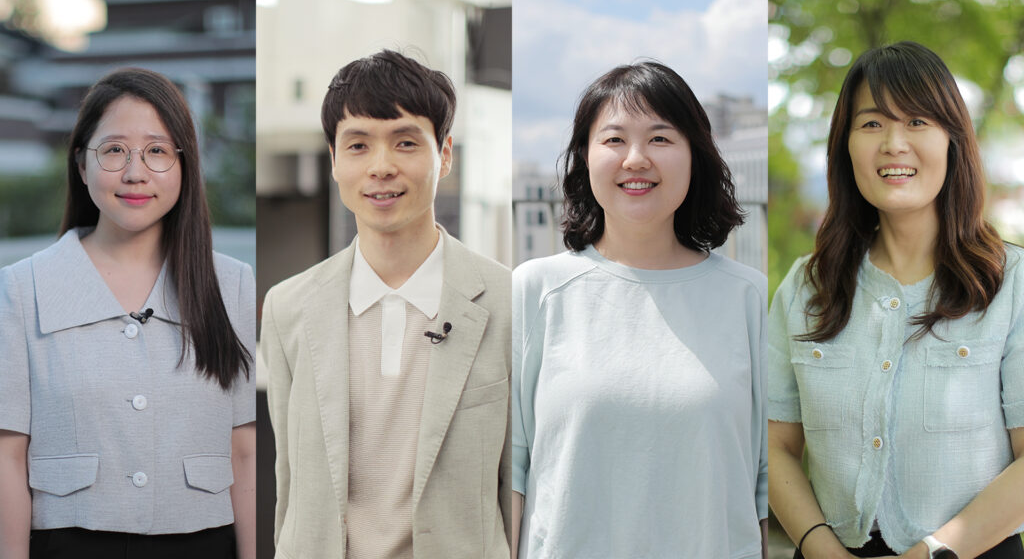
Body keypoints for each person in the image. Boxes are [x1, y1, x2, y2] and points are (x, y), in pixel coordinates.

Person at [767, 41, 1024, 559]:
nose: (893, 144)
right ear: (845, 146)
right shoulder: (804, 287)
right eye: (871, 124)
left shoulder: (1011, 284)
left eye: (917, 122)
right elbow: (773, 448)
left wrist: (933, 552)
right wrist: (821, 549)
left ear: (953, 141)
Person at [510, 61, 768, 558]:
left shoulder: (748, 297)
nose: (635, 159)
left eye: (660, 139)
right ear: (584, 157)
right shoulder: (536, 289)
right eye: (613, 140)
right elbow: (512, 473)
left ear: (696, 156)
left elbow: (762, 481)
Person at [261, 49, 512, 559]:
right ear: (333, 160)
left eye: (405, 142)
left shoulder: (510, 302)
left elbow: (519, 485)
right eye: (357, 145)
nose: (381, 167)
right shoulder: (286, 307)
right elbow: (288, 485)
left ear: (444, 155)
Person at [0, 68, 256, 559]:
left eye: (157, 151)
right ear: (81, 164)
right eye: (114, 150)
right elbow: (7, 457)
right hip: (67, 544)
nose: (135, 172)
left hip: (203, 543)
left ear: (185, 165)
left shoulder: (233, 285)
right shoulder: (21, 288)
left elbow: (244, 452)